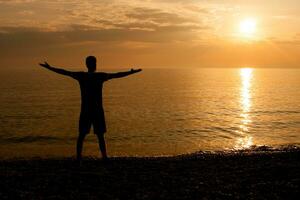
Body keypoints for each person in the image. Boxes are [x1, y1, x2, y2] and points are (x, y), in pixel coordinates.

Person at [39, 56, 142, 162]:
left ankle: (79, 157)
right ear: (95, 64)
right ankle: (104, 157)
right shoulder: (100, 76)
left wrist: (49, 68)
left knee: (82, 135)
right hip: (97, 110)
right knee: (100, 135)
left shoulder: (82, 76)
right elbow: (117, 75)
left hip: (86, 110)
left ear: (86, 64)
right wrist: (131, 72)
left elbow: (64, 72)